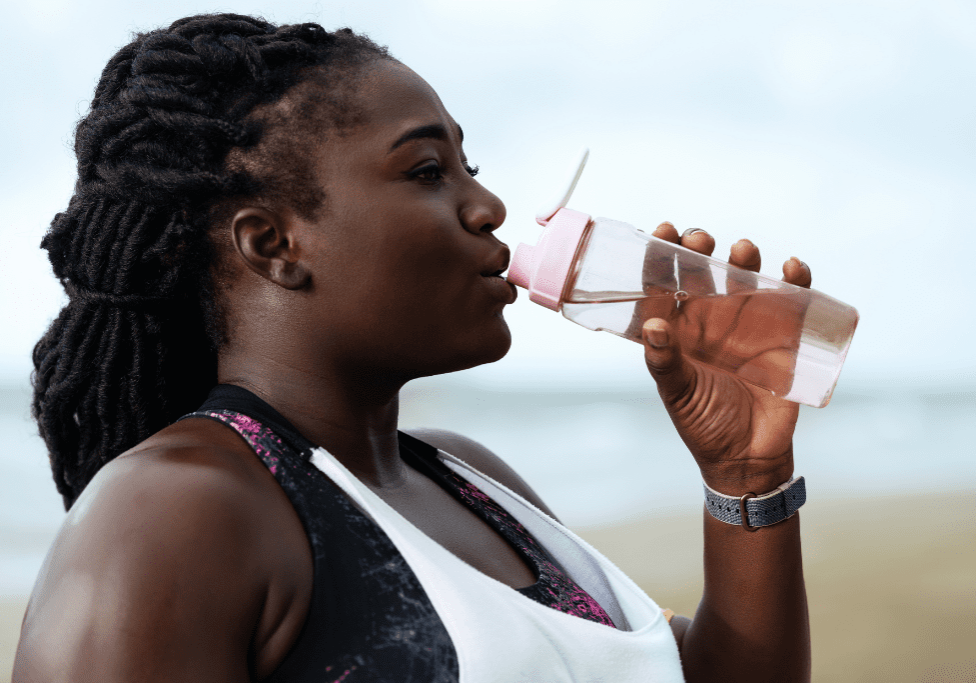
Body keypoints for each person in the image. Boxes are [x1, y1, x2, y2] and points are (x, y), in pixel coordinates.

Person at [14, 13, 812, 682]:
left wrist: (746, 478)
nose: (489, 205)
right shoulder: (174, 512)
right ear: (273, 245)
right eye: (428, 170)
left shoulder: (472, 479)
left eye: (471, 166)